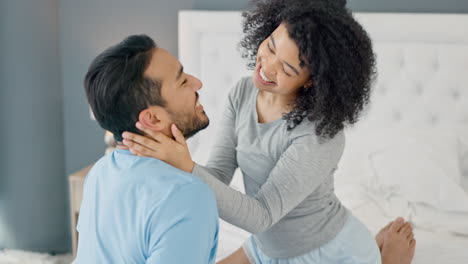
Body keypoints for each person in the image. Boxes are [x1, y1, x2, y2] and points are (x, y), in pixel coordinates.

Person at [122, 1, 416, 263]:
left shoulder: (319, 136)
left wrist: (185, 165)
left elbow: (261, 215)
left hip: (326, 251)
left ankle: (384, 258)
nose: (266, 68)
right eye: (271, 46)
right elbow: (218, 175)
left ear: (312, 81)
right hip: (266, 248)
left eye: (287, 69)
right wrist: (170, 162)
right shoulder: (242, 92)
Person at [76, 35, 219, 263]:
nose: (197, 83)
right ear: (152, 118)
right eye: (182, 82)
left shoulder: (100, 172)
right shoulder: (188, 195)